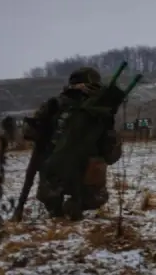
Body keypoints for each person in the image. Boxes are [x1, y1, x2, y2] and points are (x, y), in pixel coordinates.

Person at [22, 67, 123, 220]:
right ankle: (71, 206)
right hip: (79, 173)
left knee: (54, 198)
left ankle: (63, 209)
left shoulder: (57, 105)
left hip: (59, 172)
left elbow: (29, 132)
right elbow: (111, 155)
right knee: (91, 197)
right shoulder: (100, 112)